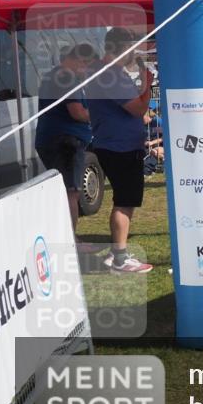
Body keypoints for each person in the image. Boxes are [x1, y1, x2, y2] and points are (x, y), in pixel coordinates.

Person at [85, 28, 154, 274]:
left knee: (126, 201)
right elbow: (137, 108)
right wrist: (149, 86)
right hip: (119, 146)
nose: (133, 54)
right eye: (130, 49)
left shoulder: (108, 72)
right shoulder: (109, 74)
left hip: (117, 144)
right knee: (124, 202)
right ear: (119, 48)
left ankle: (118, 253)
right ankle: (120, 259)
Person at [35, 43, 97, 229]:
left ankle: (67, 237)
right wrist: (99, 114)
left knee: (65, 191)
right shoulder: (66, 78)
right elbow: (77, 113)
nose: (87, 71)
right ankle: (72, 240)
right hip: (65, 143)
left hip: (54, 139)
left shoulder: (53, 76)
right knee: (71, 192)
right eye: (87, 66)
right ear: (79, 60)